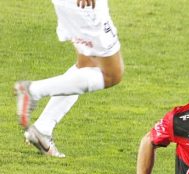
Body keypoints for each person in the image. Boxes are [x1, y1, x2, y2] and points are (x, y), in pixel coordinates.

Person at [14, 0, 124, 158]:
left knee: (86, 64)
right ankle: (32, 91)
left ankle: (43, 129)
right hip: (85, 7)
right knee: (112, 74)